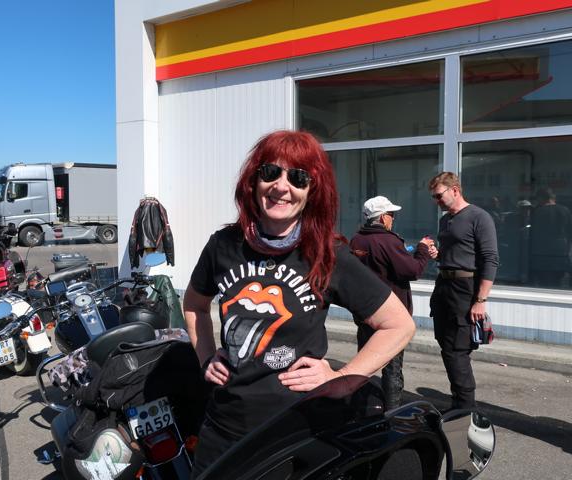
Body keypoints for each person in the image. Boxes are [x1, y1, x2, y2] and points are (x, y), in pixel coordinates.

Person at [184, 130, 416, 476]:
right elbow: (194, 305)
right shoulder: (223, 245)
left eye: (298, 178)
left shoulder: (327, 254)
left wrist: (343, 379)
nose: (282, 186)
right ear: (253, 181)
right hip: (224, 428)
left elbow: (398, 325)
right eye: (270, 173)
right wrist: (205, 356)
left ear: (312, 191)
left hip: (294, 433)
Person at [349, 195, 437, 410]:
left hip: (365, 312)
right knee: (392, 369)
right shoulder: (388, 240)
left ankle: (359, 410)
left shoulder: (357, 240)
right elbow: (413, 270)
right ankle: (393, 414)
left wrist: (410, 252)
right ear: (382, 218)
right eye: (391, 214)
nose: (393, 218)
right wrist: (422, 249)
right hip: (391, 315)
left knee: (364, 364)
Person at [427, 172, 499, 410]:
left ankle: (465, 410)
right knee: (446, 346)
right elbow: (455, 253)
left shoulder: (479, 217)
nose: (436, 201)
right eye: (434, 197)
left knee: (458, 349)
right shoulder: (445, 220)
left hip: (465, 290)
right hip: (444, 286)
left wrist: (481, 300)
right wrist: (438, 254)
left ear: (455, 190)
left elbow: (490, 259)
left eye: (439, 196)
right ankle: (458, 404)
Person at [529, 188, 572, 289]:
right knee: (557, 283)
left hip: (541, 255)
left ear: (541, 198)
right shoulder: (565, 210)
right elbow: (569, 232)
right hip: (560, 253)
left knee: (543, 283)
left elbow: (533, 233)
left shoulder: (538, 212)